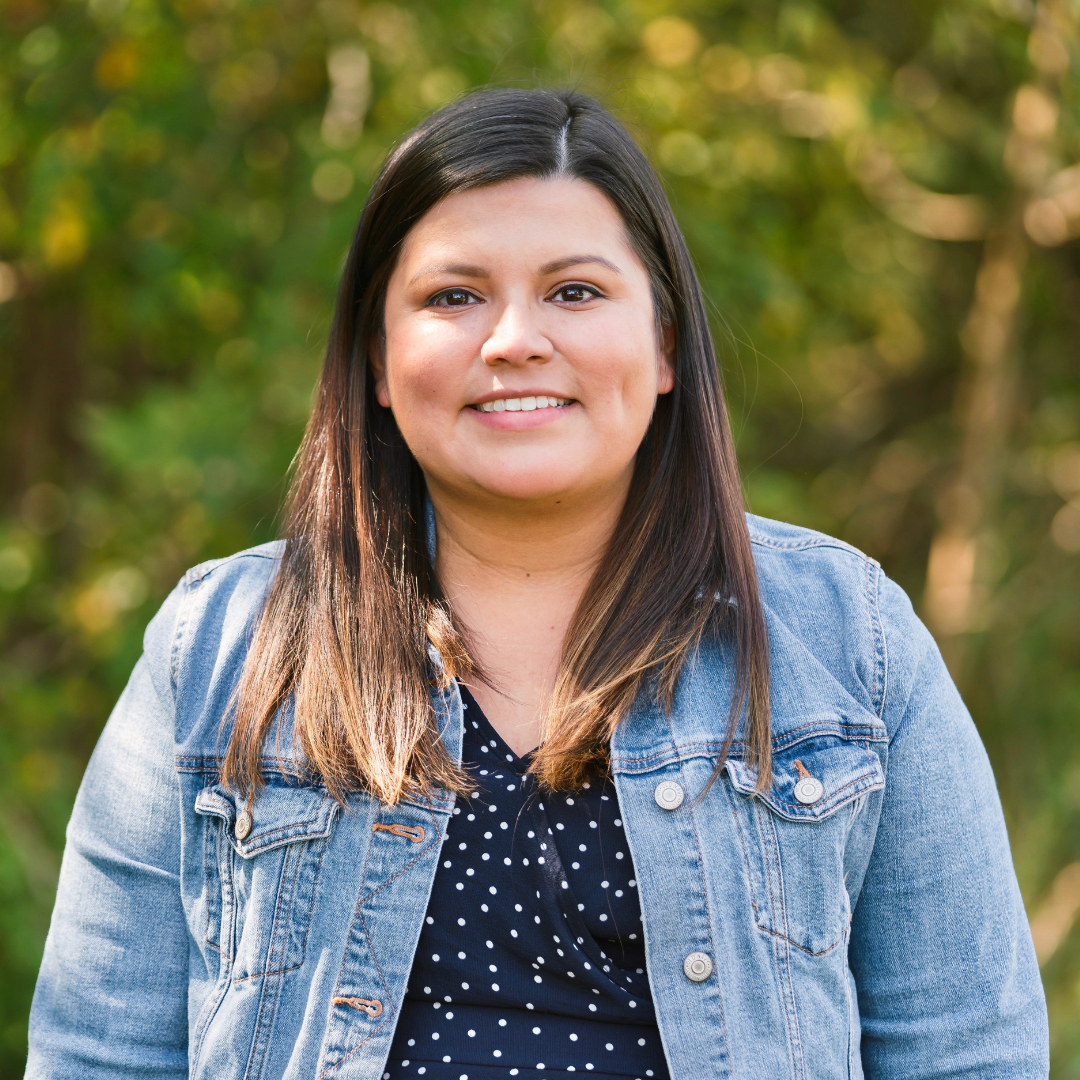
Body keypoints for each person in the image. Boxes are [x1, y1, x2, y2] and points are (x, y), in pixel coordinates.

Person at [25, 88, 1047, 1080]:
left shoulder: (847, 639)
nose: (514, 338)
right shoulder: (220, 647)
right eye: (453, 296)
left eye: (575, 291)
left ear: (663, 347)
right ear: (379, 359)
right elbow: (100, 1057)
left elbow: (968, 1055)